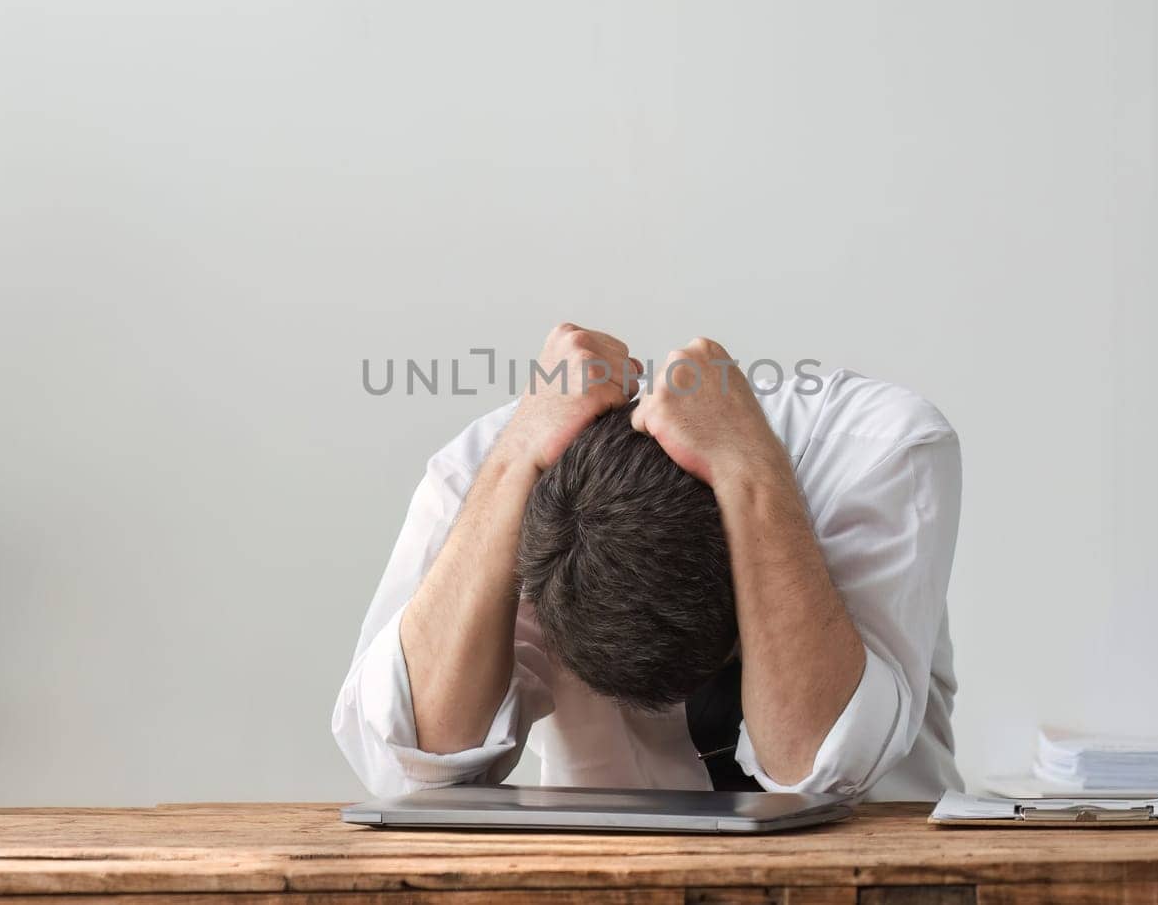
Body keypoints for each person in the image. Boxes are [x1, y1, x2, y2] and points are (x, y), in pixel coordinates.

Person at [333, 324, 963, 799]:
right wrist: (511, 464)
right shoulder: (486, 470)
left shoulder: (883, 448)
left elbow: (820, 765)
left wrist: (750, 477)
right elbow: (404, 764)